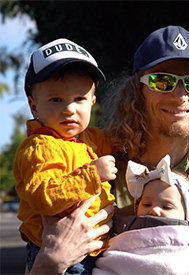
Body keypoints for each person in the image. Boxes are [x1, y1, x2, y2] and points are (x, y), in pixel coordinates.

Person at [29, 26, 189, 275]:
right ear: (137, 92)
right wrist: (49, 263)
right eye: (162, 80)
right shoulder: (86, 177)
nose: (180, 95)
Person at [14, 38, 117, 274]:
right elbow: (45, 196)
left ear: (92, 102)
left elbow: (125, 142)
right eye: (55, 99)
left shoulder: (90, 138)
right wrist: (93, 175)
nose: (69, 109)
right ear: (34, 106)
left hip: (93, 248)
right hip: (60, 253)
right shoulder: (39, 147)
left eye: (79, 98)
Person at [92, 155, 189, 274]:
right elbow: (110, 266)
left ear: (187, 215)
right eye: (147, 204)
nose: (155, 210)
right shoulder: (123, 240)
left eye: (166, 206)